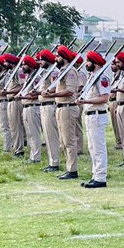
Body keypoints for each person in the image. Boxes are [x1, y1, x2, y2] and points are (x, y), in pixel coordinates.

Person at [78, 51, 113, 188]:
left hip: (97, 115)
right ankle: (95, 175)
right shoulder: (92, 77)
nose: (86, 64)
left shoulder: (102, 78)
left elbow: (104, 98)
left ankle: (101, 177)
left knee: (98, 147)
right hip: (90, 115)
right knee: (92, 147)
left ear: (95, 62)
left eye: (88, 61)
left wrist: (86, 101)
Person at [51, 46, 81, 180]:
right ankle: (69, 167)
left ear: (64, 57)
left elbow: (69, 90)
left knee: (69, 140)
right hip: (61, 107)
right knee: (63, 140)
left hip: (68, 107)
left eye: (57, 56)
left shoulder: (70, 71)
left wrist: (54, 94)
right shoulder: (62, 71)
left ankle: (72, 170)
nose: (55, 58)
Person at [36, 49, 64, 173]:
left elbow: (55, 88)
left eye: (42, 59)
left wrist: (46, 92)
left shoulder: (54, 72)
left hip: (49, 105)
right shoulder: (46, 72)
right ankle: (51, 161)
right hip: (43, 105)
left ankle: (54, 163)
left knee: (51, 135)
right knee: (46, 135)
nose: (40, 62)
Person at [19, 55, 44, 164]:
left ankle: (36, 157)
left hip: (33, 107)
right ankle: (32, 156)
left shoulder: (36, 77)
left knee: (34, 133)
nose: (23, 67)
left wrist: (24, 97)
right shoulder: (29, 77)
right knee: (29, 134)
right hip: (26, 106)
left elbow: (36, 94)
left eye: (25, 64)